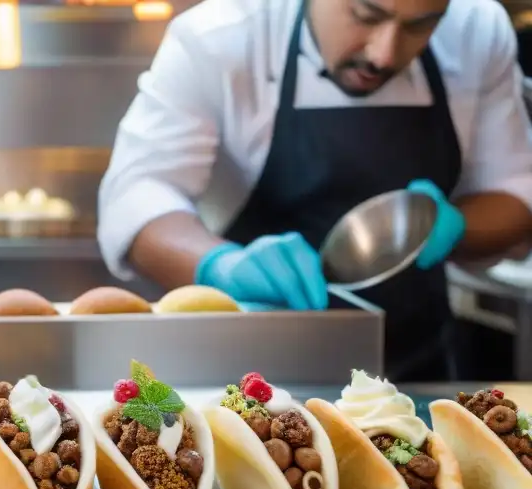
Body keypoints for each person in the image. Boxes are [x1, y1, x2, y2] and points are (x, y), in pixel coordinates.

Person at [98, 0, 532, 381]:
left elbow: (515, 191)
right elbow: (139, 191)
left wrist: (456, 228)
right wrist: (220, 265)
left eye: (420, 25)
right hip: (245, 380)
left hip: (414, 376)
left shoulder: (478, 30)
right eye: (366, 14)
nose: (383, 54)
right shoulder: (220, 36)